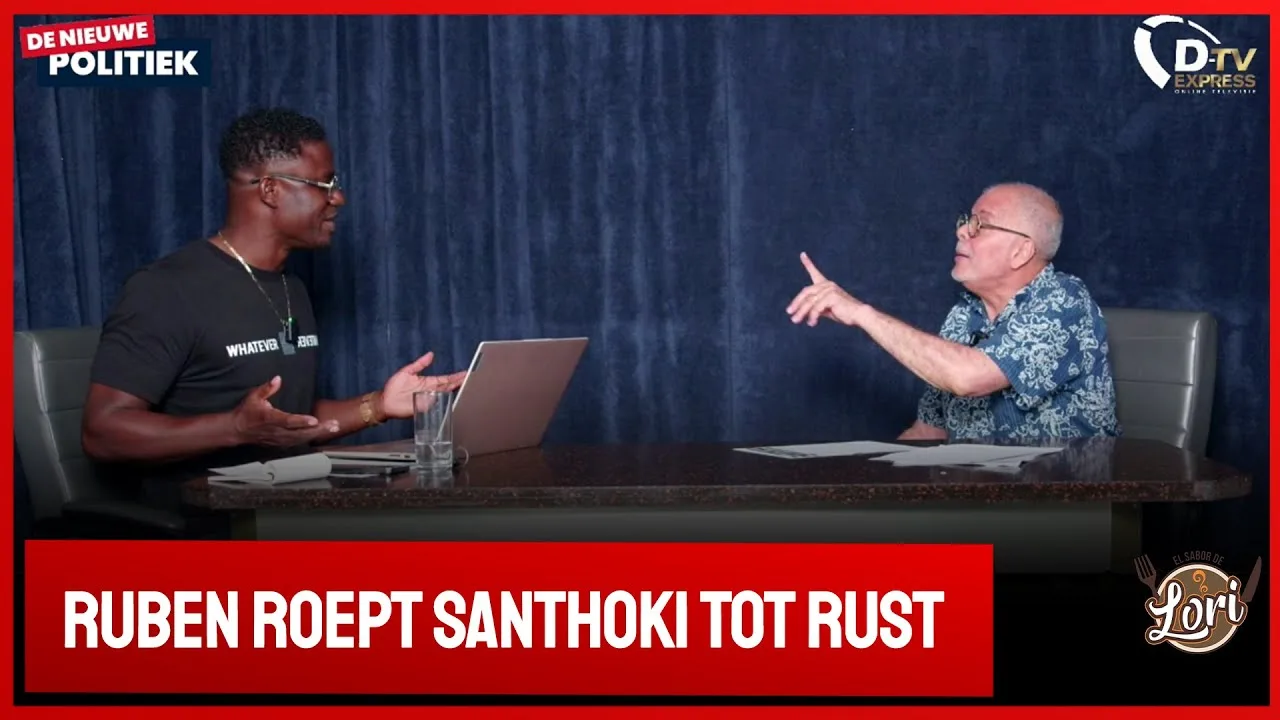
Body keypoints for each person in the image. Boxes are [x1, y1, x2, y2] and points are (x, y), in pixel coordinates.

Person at [82, 107, 465, 474]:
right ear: (270, 189)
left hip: (286, 500)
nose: (338, 198)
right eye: (326, 184)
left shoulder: (288, 286)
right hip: (204, 510)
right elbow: (102, 433)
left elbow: (286, 421)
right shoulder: (166, 289)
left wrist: (379, 405)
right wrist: (234, 428)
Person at [785, 182, 1119, 442]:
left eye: (980, 225)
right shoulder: (964, 315)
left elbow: (968, 378)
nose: (961, 231)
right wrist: (861, 483)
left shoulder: (1064, 302)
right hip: (979, 494)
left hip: (1059, 497)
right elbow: (929, 431)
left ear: (1021, 251)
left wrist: (861, 313)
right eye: (965, 221)